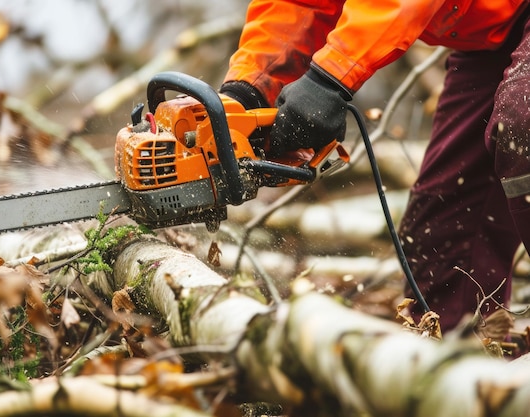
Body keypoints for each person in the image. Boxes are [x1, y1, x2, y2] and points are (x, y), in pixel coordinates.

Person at [219, 0, 530, 335]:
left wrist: (329, 78)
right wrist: (250, 90)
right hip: (496, 27)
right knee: (444, 228)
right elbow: (300, 5)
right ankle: (456, 365)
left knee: (521, 124)